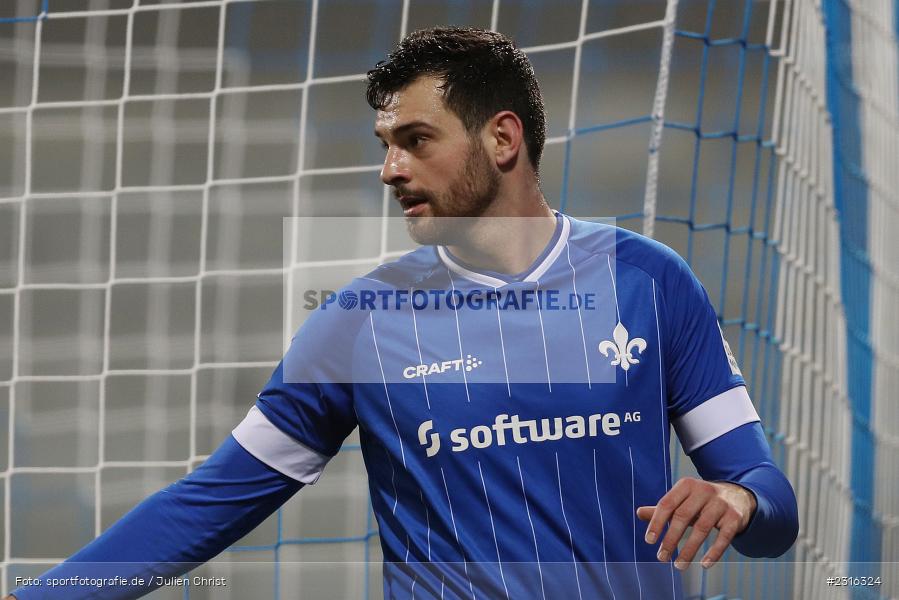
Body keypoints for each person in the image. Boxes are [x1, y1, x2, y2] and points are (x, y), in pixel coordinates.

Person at [7, 27, 797, 600]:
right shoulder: (360, 321)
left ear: (502, 138)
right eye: (385, 143)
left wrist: (739, 498)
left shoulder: (648, 282)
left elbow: (771, 508)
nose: (390, 169)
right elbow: (208, 503)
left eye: (416, 140)